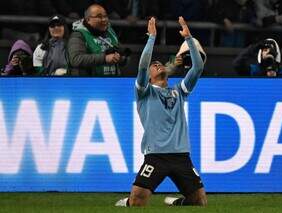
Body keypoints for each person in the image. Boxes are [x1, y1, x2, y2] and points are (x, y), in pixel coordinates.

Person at [115, 17, 207, 207]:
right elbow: (142, 65)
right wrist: (152, 38)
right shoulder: (144, 92)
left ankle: (176, 203)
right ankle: (127, 203)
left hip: (181, 155)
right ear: (148, 76)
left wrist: (189, 39)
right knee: (138, 201)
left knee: (199, 202)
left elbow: (197, 68)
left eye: (160, 63)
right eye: (153, 64)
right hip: (156, 155)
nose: (157, 64)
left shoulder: (179, 91)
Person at [68, 4, 123, 76]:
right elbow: (76, 59)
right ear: (88, 19)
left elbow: (119, 52)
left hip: (111, 82)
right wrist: (105, 58)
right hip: (89, 83)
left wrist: (122, 58)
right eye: (99, 17)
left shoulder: (110, 31)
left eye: (105, 16)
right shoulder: (79, 34)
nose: (104, 19)